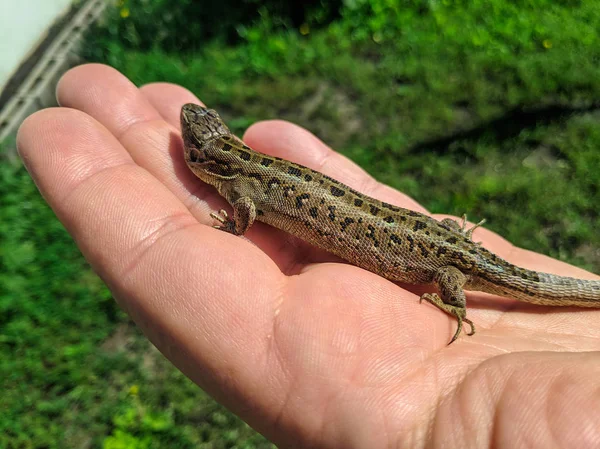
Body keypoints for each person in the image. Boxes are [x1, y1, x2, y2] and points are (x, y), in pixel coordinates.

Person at [17, 64, 600, 448]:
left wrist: (456, 302)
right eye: (194, 141)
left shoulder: (236, 183)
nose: (188, 141)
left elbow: (242, 218)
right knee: (445, 247)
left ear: (207, 162)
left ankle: (460, 293)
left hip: (444, 263)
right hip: (432, 241)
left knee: (461, 275)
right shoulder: (239, 172)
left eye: (193, 144)